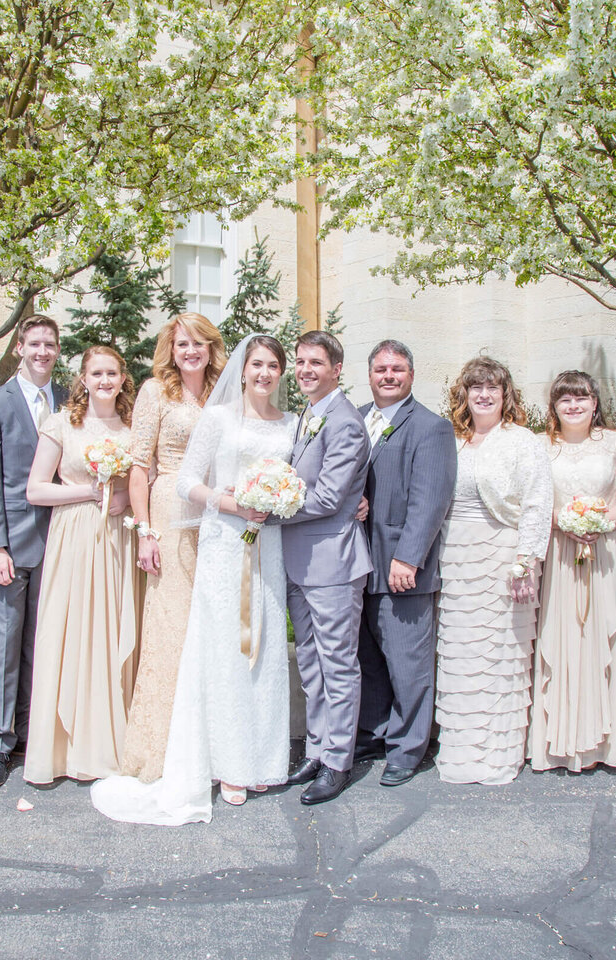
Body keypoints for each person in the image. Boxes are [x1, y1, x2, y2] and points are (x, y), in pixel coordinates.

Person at [91, 334, 294, 824]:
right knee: (224, 649)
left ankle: (262, 757)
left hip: (269, 544)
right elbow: (184, 480)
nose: (263, 373)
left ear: (280, 373)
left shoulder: (291, 423)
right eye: (256, 364)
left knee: (264, 650)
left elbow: (304, 475)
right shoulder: (219, 417)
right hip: (225, 540)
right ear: (242, 370)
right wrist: (233, 504)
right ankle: (227, 764)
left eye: (272, 365)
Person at [21, 346, 143, 784]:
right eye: (97, 373)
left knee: (113, 633)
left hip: (119, 537)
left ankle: (115, 741)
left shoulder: (133, 427)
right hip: (74, 535)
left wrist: (124, 498)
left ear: (122, 377)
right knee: (73, 633)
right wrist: (90, 493)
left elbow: (145, 481)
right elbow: (36, 490)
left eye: (112, 372)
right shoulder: (61, 424)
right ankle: (65, 749)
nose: (105, 380)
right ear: (83, 378)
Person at [526, 371, 616, 772]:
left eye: (582, 398)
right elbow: (531, 499)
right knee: (563, 637)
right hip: (562, 552)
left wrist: (598, 523)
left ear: (595, 403)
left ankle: (614, 742)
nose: (574, 405)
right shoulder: (541, 446)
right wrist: (564, 523)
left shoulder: (615, 444)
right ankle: (561, 742)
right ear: (554, 406)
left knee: (606, 637)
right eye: (565, 399)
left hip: (607, 552)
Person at [118, 313, 225, 783]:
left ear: (210, 347)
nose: (190, 351)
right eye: (182, 343)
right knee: (171, 625)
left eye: (198, 342)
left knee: (211, 626)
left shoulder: (227, 390)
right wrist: (144, 531)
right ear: (171, 348)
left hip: (218, 516)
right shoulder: (153, 392)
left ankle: (212, 744)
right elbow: (139, 467)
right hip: (169, 515)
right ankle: (159, 749)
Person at [436, 357, 552, 785]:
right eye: (476, 387)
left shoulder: (523, 442)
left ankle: (498, 757)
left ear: (506, 395)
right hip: (457, 558)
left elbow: (539, 503)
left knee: (503, 654)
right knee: (461, 658)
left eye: (493, 388)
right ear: (464, 393)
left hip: (505, 557)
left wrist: (526, 560)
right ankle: (462, 754)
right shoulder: (452, 440)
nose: (484, 395)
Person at [355, 339, 457, 787]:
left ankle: (409, 747)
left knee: (408, 662)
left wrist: (408, 558)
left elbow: (430, 499)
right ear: (370, 374)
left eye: (397, 369)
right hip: (355, 564)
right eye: (381, 369)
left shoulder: (431, 428)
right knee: (370, 659)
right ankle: (375, 732)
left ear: (411, 376)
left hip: (401, 567)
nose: (388, 376)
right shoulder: (357, 419)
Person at [0, 315, 65, 788]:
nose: (42, 351)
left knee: (42, 645)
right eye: (34, 344)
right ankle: (0, 742)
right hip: (14, 542)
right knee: (5, 646)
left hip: (65, 543)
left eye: (50, 343)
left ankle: (34, 734)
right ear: (20, 348)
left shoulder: (70, 399)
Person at [280, 330, 372, 805]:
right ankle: (316, 748)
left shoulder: (345, 421)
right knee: (312, 665)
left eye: (316, 362)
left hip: (334, 560)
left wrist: (270, 505)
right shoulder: (308, 415)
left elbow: (331, 496)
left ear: (337, 368)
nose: (305, 370)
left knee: (337, 665)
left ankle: (338, 761)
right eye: (299, 361)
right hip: (299, 560)